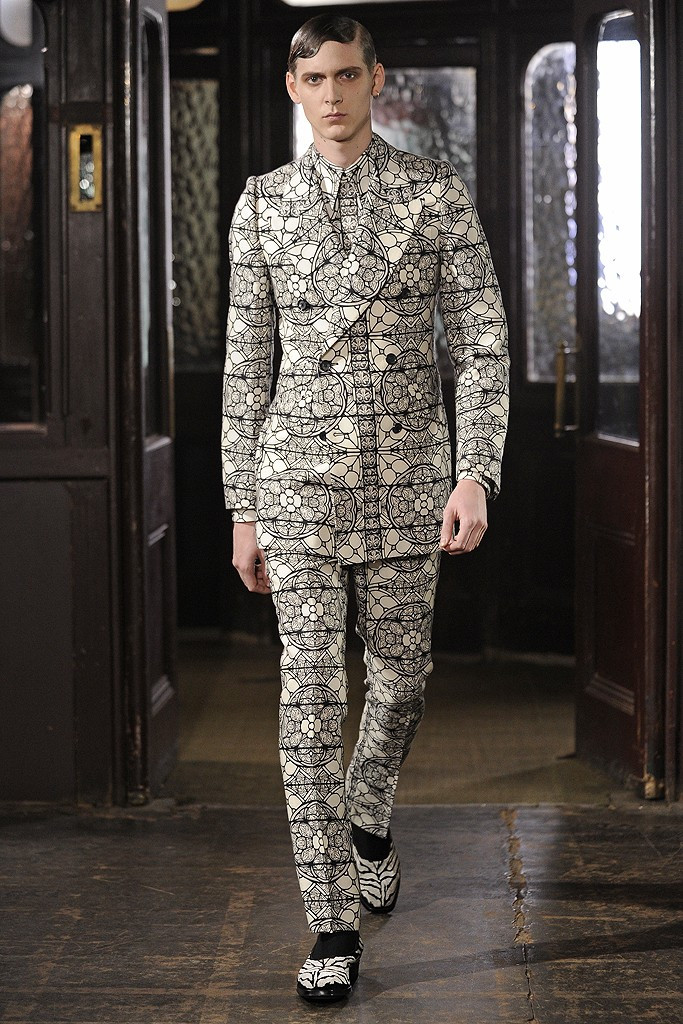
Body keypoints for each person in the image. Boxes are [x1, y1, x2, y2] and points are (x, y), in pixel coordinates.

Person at [222, 13, 509, 1004]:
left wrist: (474, 471)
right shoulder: (261, 204)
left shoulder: (432, 192)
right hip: (294, 486)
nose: (333, 95)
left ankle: (369, 811)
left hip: (406, 481)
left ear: (375, 80)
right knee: (308, 703)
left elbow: (480, 340)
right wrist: (241, 507)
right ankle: (333, 923)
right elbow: (244, 366)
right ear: (293, 88)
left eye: (348, 75)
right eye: (315, 79)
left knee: (400, 683)